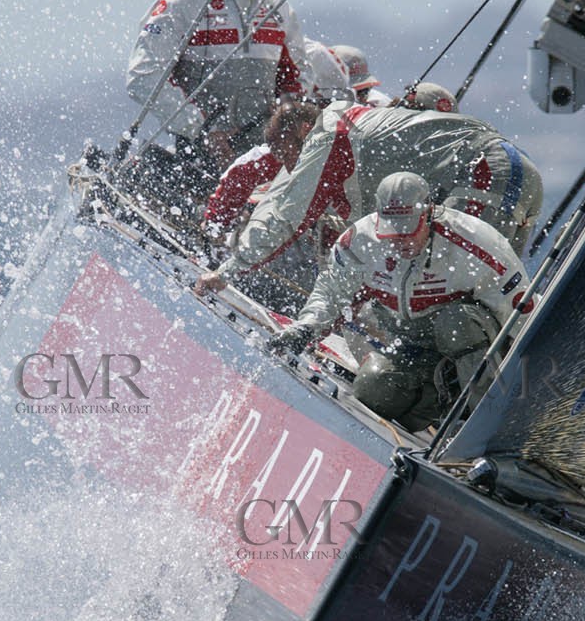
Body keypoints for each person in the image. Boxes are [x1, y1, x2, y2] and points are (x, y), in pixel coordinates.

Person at [194, 82, 542, 295]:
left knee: (455, 283)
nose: (291, 170)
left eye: (290, 158)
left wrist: (227, 272)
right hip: (511, 170)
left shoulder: (327, 133)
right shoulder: (353, 145)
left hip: (487, 172)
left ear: (303, 129)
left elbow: (287, 214)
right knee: (490, 289)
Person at [265, 172, 531, 429]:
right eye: (393, 232)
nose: (400, 241)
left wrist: (529, 383)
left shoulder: (477, 243)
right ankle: (444, 408)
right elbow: (330, 292)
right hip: (420, 347)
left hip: (479, 341)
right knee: (374, 390)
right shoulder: (359, 241)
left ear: (428, 213)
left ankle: (489, 423)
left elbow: (522, 314)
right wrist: (305, 327)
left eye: (408, 229)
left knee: (455, 324)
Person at [125, 0, 310, 208]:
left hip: (268, 148)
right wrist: (200, 128)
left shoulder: (277, 6)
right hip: (201, 147)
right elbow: (142, 77)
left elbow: (298, 76)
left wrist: (288, 123)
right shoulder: (180, 3)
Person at [202, 101, 319, 237]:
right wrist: (215, 224)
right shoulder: (262, 162)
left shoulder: (329, 161)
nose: (287, 164)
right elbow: (232, 185)